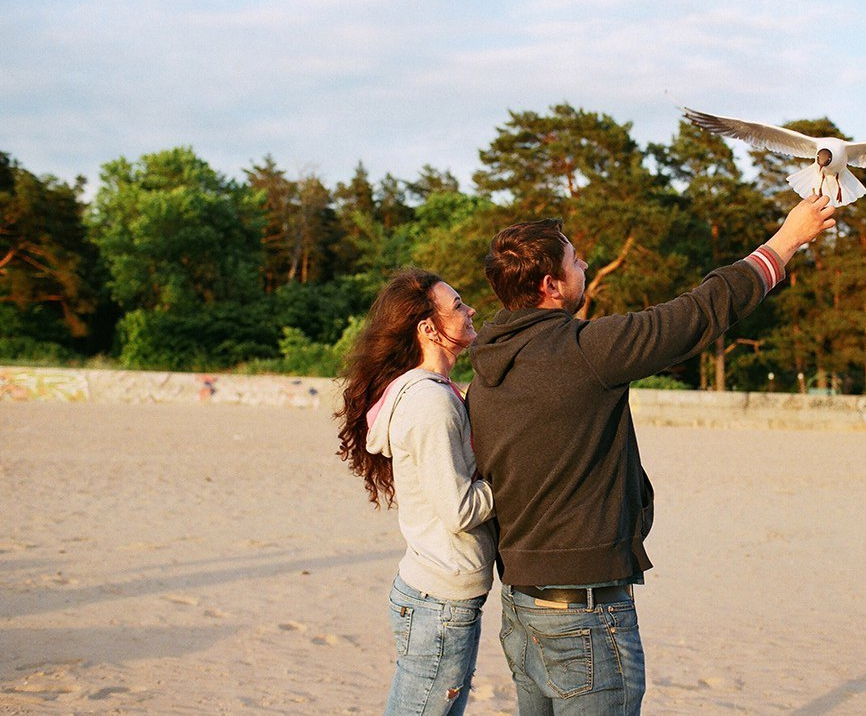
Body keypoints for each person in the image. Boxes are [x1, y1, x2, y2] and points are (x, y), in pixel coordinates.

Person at [466, 194, 837, 713]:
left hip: (521, 606)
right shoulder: (584, 351)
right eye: (575, 261)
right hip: (586, 613)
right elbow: (698, 313)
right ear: (550, 285)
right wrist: (787, 240)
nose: (585, 266)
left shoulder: (483, 376)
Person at [335, 268, 496, 716]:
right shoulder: (430, 403)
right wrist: (519, 481)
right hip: (440, 601)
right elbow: (459, 509)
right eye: (458, 305)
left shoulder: (432, 391)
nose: (471, 309)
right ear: (429, 328)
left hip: (436, 594)